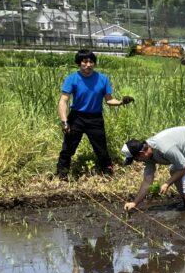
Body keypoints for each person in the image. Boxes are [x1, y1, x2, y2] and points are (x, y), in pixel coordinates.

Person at [56, 49, 133, 179]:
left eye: (91, 62)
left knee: (101, 148)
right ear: (79, 63)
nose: (88, 65)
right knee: (68, 147)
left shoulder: (102, 79)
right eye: (85, 62)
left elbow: (109, 100)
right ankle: (62, 173)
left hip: (95, 119)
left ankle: (107, 171)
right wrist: (64, 121)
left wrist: (121, 102)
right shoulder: (72, 78)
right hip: (76, 117)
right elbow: (63, 101)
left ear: (94, 63)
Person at [122, 126, 185, 212]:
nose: (137, 162)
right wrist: (134, 203)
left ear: (141, 153)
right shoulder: (147, 156)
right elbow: (147, 181)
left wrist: (167, 183)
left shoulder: (165, 148)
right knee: (174, 170)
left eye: (136, 159)